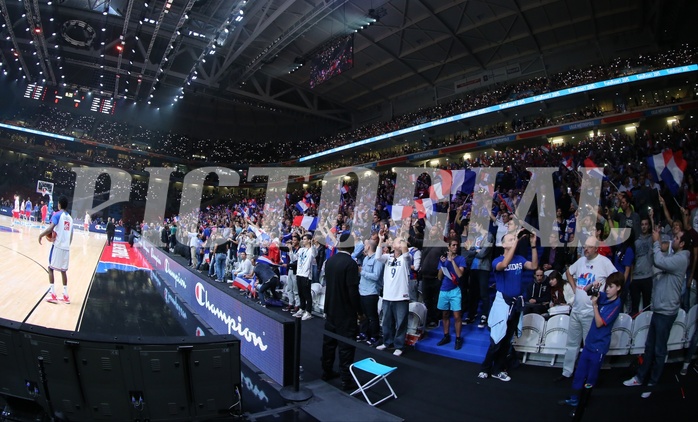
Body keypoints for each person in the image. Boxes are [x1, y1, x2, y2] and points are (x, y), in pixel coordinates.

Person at [623, 228, 691, 398]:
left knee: (659, 350)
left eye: (676, 238)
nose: (673, 240)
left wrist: (655, 241)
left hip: (666, 312)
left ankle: (652, 383)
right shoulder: (674, 257)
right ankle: (640, 377)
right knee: (649, 347)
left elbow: (659, 262)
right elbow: (658, 263)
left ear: (682, 243)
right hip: (659, 309)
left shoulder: (682, 258)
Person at [478, 230, 537, 381]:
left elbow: (534, 265)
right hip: (502, 303)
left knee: (507, 340)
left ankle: (497, 370)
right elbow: (504, 265)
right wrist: (517, 240)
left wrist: (533, 246)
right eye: (510, 240)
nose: (513, 241)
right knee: (496, 339)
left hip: (515, 304)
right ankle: (485, 367)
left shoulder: (519, 259)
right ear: (503, 244)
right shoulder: (497, 260)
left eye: (514, 239)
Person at [559, 272, 623, 409]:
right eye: (607, 286)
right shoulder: (605, 296)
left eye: (610, 286)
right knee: (579, 373)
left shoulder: (616, 304)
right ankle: (574, 398)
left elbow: (600, 323)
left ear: (618, 287)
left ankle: (584, 403)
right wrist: (592, 285)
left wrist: (594, 305)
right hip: (590, 342)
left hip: (599, 346)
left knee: (591, 378)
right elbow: (586, 291)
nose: (607, 289)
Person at [557, 237, 616, 382]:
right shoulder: (581, 261)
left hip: (591, 312)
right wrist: (573, 287)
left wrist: (604, 296)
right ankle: (567, 373)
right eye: (585, 246)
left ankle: (586, 375)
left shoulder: (604, 262)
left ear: (596, 248)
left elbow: (615, 278)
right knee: (571, 344)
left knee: (589, 346)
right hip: (576, 310)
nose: (586, 249)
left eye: (589, 247)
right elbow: (569, 272)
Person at [321, 233, 362, 391]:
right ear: (351, 247)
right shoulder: (350, 264)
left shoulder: (330, 261)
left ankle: (326, 371)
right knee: (346, 347)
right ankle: (346, 379)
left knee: (329, 344)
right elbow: (352, 291)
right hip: (345, 313)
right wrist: (359, 311)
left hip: (330, 309)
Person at [375, 236, 412, 357]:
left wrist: (403, 239)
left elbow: (406, 254)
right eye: (398, 241)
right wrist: (381, 240)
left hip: (401, 296)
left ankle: (399, 346)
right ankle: (387, 342)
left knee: (401, 323)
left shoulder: (406, 258)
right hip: (387, 295)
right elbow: (377, 257)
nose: (399, 243)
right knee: (386, 321)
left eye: (401, 242)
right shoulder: (388, 257)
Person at [38, 196, 74, 304]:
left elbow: (50, 228)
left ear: (59, 204)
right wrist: (67, 245)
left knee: (50, 268)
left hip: (57, 246)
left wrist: (41, 235)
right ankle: (66, 295)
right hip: (66, 248)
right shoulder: (71, 219)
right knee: (63, 271)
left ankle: (53, 294)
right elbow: (71, 235)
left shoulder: (57, 214)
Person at [436, 239, 467, 350]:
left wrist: (452, 261)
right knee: (444, 314)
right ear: (448, 247)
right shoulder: (443, 259)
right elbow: (439, 277)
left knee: (457, 316)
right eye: (453, 245)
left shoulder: (461, 259)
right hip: (444, 289)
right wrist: (443, 264)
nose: (455, 247)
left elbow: (459, 274)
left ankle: (458, 338)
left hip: (455, 290)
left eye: (457, 245)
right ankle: (446, 335)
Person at [357, 239, 384, 346]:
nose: (363, 246)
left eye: (364, 245)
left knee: (372, 316)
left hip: (371, 292)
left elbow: (376, 276)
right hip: (362, 290)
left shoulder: (378, 260)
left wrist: (362, 272)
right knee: (363, 315)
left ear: (368, 247)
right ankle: (364, 333)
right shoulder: (365, 258)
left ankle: (374, 336)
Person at [631, 217, 654, 315]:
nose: (644, 226)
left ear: (649, 226)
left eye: (646, 224)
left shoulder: (651, 239)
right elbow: (632, 260)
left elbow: (655, 233)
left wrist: (652, 218)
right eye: (642, 224)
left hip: (647, 276)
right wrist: (631, 277)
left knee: (646, 305)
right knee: (634, 306)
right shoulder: (636, 242)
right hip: (636, 277)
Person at [293, 233, 317, 321]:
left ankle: (308, 312)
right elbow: (294, 258)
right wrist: (290, 250)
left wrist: (313, 244)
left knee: (307, 294)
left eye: (305, 239)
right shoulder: (301, 249)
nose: (303, 241)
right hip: (299, 273)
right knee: (300, 293)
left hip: (306, 275)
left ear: (309, 240)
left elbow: (315, 254)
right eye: (302, 239)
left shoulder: (312, 250)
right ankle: (302, 308)